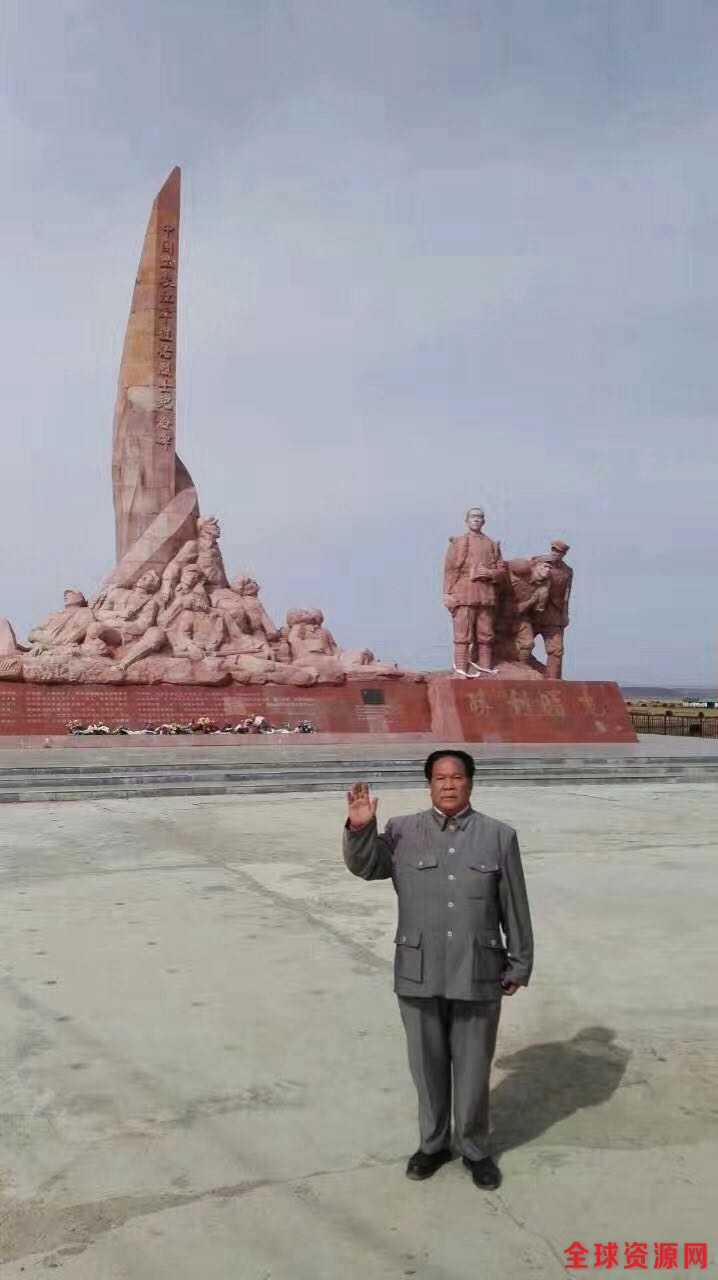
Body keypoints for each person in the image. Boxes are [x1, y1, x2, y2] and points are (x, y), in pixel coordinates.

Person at [343, 750, 533, 1190]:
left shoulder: (498, 836)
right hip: (419, 968)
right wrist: (360, 827)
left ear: (471, 782)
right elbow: (366, 866)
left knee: (473, 1067)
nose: (448, 785)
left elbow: (514, 904)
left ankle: (475, 1148)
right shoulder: (402, 831)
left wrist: (519, 962)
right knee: (426, 1067)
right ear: (428, 785)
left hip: (478, 968)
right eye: (440, 778)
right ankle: (432, 1145)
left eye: (457, 777)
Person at [442, 508, 504, 674]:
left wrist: (490, 573)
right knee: (462, 636)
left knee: (486, 635)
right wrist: (447, 594)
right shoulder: (458, 542)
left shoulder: (491, 544)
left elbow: (501, 570)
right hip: (463, 593)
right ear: (467, 520)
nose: (476, 519)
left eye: (479, 517)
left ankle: (485, 669)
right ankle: (461, 670)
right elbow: (449, 570)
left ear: (484, 521)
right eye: (473, 516)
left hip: (485, 594)